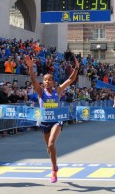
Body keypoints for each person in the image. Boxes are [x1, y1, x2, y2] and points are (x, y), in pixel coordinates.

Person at [25, 55, 79, 183]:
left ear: (53, 82)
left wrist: (76, 67)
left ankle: (54, 170)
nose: (47, 82)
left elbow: (71, 79)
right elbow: (33, 80)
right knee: (49, 149)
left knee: (51, 144)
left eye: (49, 80)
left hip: (56, 121)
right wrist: (31, 67)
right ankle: (54, 167)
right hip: (44, 122)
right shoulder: (40, 92)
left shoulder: (58, 90)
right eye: (45, 80)